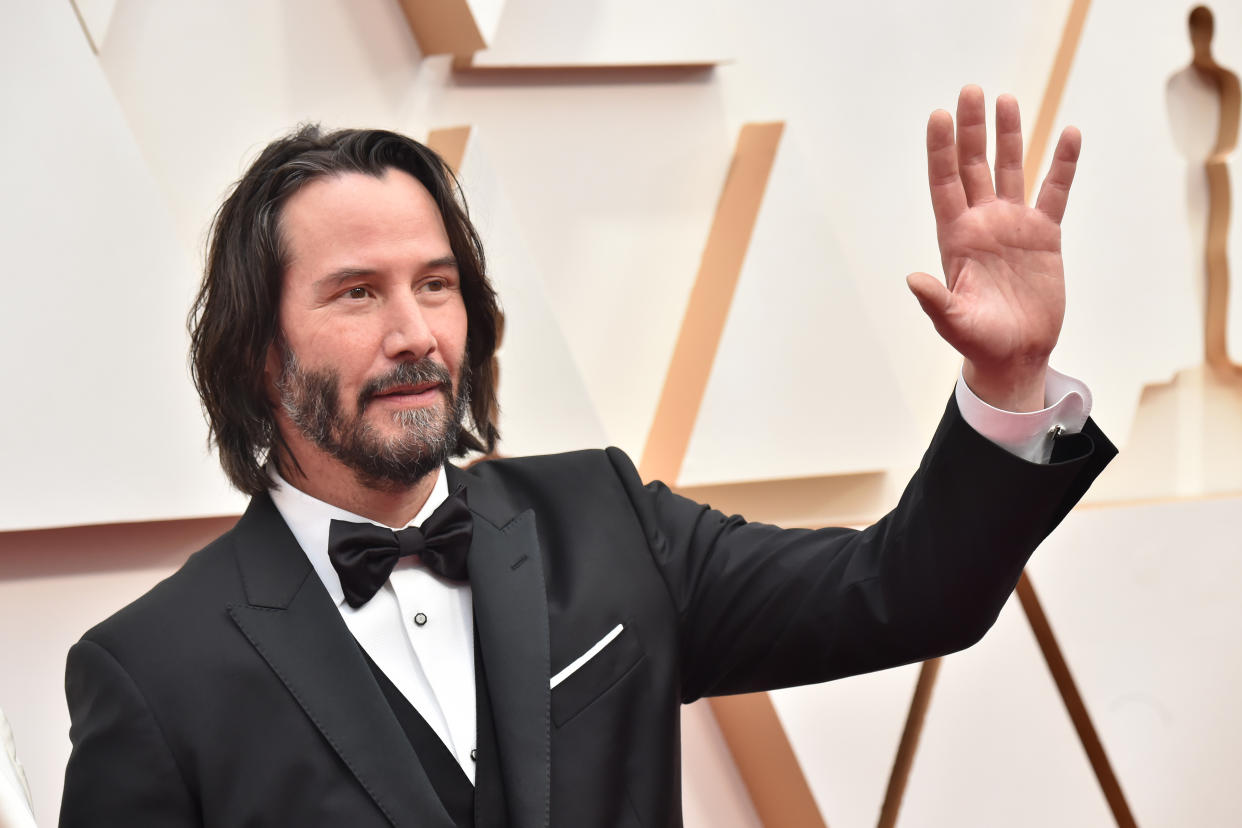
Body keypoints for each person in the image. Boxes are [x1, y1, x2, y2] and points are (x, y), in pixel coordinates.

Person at [59, 86, 1114, 827]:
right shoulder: (153, 675)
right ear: (255, 353)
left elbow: (905, 592)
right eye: (355, 292)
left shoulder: (608, 521)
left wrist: (1008, 385)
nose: (416, 332)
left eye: (437, 284)